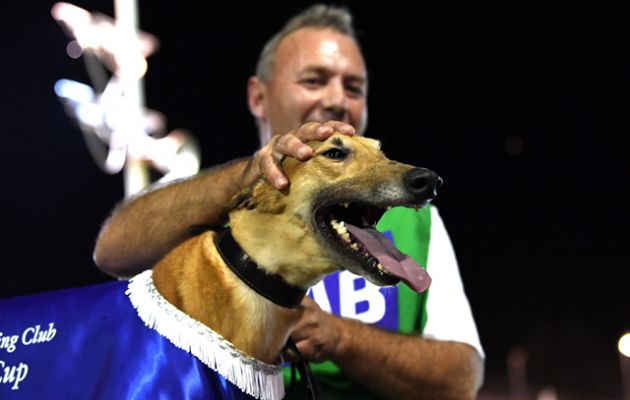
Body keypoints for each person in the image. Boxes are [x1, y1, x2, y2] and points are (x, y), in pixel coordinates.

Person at [94, 4, 484, 399]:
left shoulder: (417, 225)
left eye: (354, 88)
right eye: (314, 80)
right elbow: (113, 252)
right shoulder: (210, 201)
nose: (337, 100)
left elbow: (461, 380)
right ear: (258, 97)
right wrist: (245, 177)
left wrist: (338, 337)